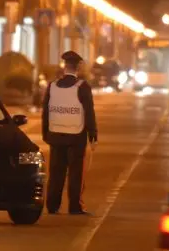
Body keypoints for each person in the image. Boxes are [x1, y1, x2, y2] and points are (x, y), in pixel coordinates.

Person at [42, 51, 97, 215]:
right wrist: (93, 134)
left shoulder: (52, 86)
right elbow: (89, 112)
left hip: (56, 135)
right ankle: (75, 206)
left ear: (64, 66)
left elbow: (46, 112)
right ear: (78, 67)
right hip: (76, 136)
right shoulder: (82, 86)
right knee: (75, 174)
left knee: (56, 173)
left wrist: (46, 133)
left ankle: (52, 206)